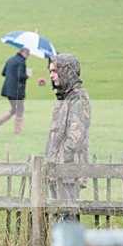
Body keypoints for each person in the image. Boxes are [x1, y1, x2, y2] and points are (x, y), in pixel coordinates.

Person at [45, 54, 91, 222]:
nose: (51, 75)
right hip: (55, 169)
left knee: (67, 218)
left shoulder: (79, 98)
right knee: (55, 218)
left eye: (55, 71)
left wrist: (59, 163)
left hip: (68, 171)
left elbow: (75, 138)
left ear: (67, 71)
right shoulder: (63, 97)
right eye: (50, 71)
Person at [0, 47, 31, 134]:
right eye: (28, 54)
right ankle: (18, 131)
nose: (28, 56)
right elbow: (20, 76)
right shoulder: (21, 62)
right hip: (17, 90)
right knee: (19, 109)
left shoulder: (10, 59)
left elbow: (3, 73)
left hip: (8, 89)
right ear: (24, 53)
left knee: (14, 109)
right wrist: (27, 75)